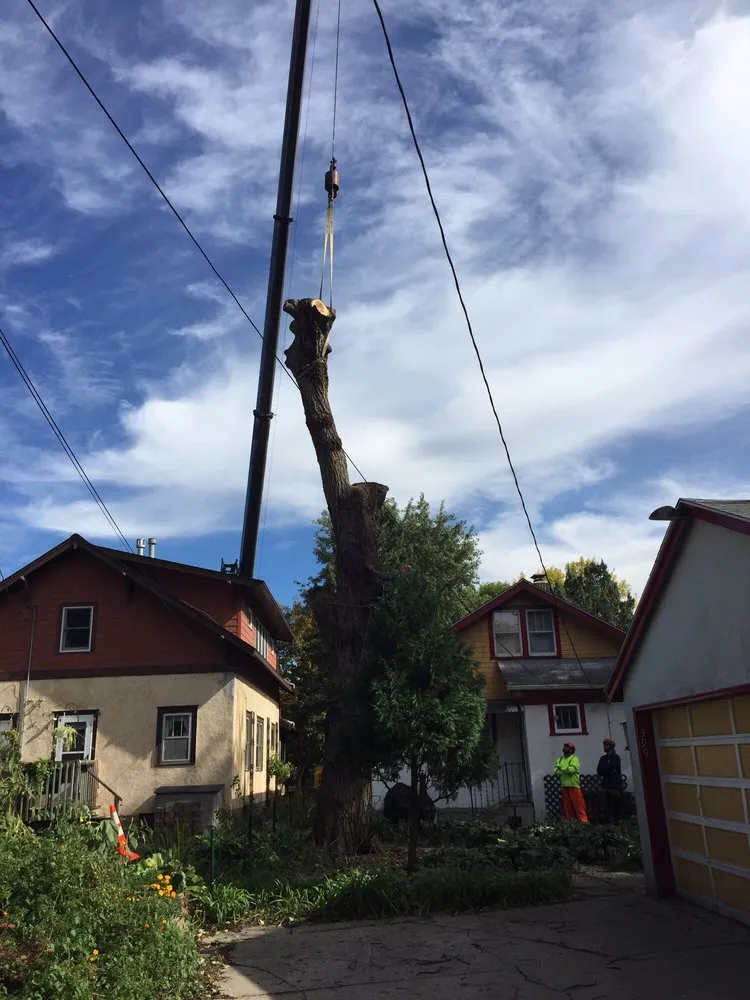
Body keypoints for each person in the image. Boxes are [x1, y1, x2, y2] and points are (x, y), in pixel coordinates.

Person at [555, 742, 588, 822]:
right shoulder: (559, 759)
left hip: (574, 785)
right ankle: (571, 822)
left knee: (579, 805)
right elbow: (556, 771)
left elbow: (572, 770)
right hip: (564, 785)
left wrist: (562, 769)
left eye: (567, 747)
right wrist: (565, 770)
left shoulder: (574, 759)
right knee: (567, 806)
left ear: (571, 750)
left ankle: (583, 822)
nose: (565, 748)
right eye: (565, 747)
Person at [597, 738, 623, 823]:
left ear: (611, 746)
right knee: (605, 804)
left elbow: (614, 767)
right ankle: (606, 821)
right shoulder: (602, 758)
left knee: (616, 804)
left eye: (606, 745)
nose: (604, 747)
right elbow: (599, 771)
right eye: (604, 745)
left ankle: (618, 820)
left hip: (615, 786)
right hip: (606, 785)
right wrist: (608, 769)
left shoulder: (616, 757)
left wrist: (607, 769)